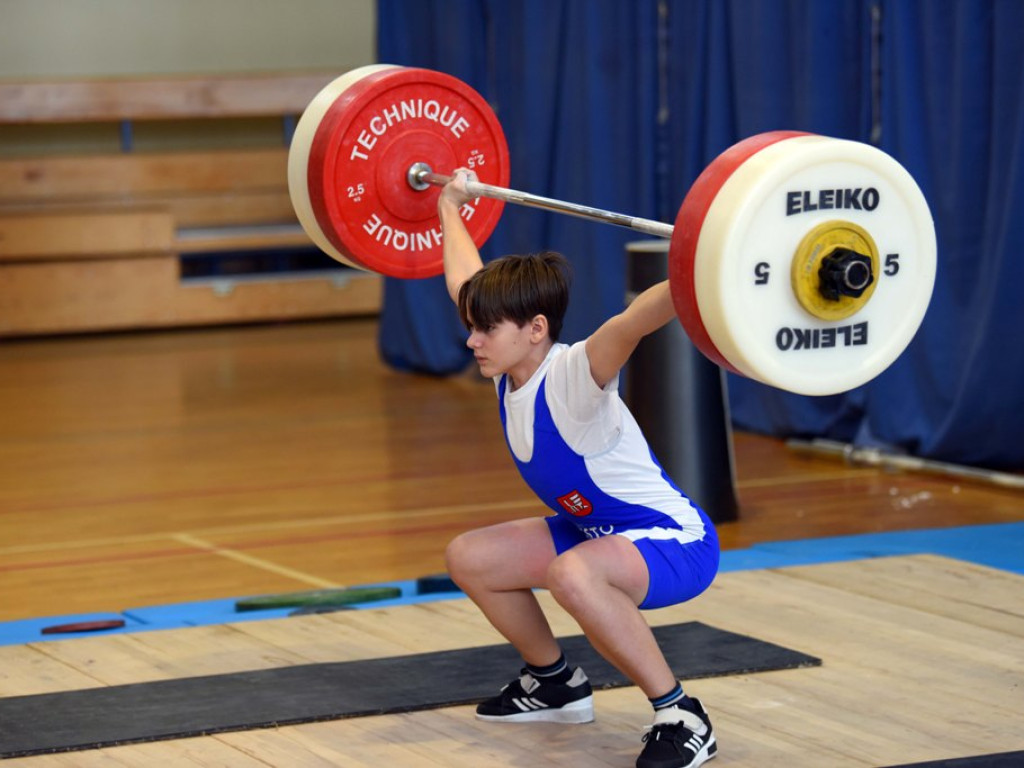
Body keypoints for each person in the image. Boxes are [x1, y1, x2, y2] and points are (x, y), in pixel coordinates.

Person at [438, 168, 721, 768]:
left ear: (536, 330)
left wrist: (699, 259)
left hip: (675, 543)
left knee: (573, 575)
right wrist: (449, 204)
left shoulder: (573, 376)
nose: (472, 342)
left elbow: (631, 323)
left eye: (485, 330)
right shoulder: (508, 368)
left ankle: (681, 715)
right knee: (471, 556)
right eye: (473, 327)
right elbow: (465, 283)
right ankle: (556, 684)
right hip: (598, 536)